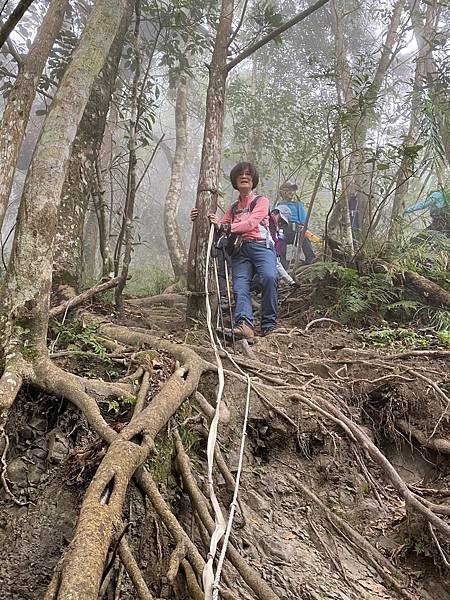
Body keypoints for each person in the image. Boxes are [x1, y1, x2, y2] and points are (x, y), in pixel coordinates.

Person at [193, 162, 278, 340]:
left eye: (248, 174)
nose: (244, 176)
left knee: (269, 277)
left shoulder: (261, 201)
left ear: (253, 180)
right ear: (235, 180)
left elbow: (251, 223)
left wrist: (224, 226)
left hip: (262, 246)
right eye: (240, 174)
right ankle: (245, 325)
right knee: (240, 288)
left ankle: (269, 325)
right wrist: (198, 216)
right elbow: (218, 228)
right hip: (240, 251)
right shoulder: (232, 208)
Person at [275, 183, 316, 266]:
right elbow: (274, 219)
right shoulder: (279, 205)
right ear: (283, 192)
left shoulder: (298, 204)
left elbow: (303, 220)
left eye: (293, 190)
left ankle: (311, 259)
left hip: (295, 229)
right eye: (289, 190)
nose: (292, 192)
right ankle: (283, 264)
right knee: (280, 240)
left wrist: (303, 226)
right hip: (283, 229)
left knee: (304, 238)